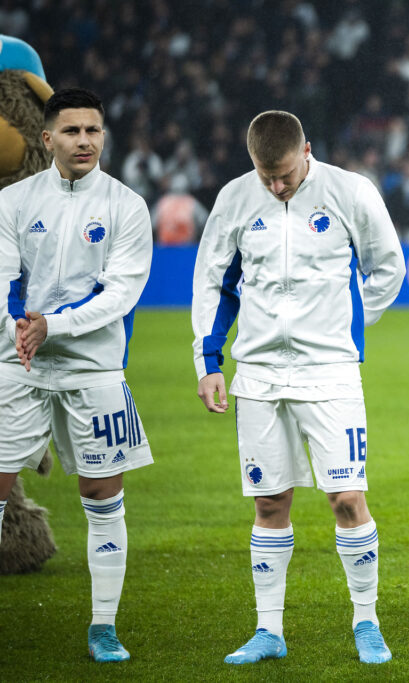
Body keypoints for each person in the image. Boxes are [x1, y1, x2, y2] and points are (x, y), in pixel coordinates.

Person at [192, 111, 405, 665]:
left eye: (284, 174)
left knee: (347, 498)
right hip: (259, 376)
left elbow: (387, 268)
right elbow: (214, 280)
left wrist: (348, 328)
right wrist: (208, 358)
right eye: (266, 177)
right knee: (269, 501)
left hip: (331, 372)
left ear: (307, 150)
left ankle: (366, 620)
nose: (276, 186)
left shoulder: (350, 192)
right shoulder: (236, 199)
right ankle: (269, 631)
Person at [0, 87, 153, 662]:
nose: (84, 140)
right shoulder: (14, 203)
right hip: (18, 361)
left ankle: (104, 627)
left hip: (94, 367)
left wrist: (52, 325)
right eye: (71, 131)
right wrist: (18, 326)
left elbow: (120, 293)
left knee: (102, 495)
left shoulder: (125, 205)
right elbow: (1, 275)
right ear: (47, 139)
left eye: (93, 130)